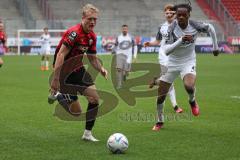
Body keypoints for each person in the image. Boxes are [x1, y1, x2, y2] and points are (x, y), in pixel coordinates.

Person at [151, 3, 219, 131]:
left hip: (188, 61)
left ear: (189, 15)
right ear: (176, 15)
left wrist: (215, 47)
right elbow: (166, 51)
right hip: (172, 62)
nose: (181, 17)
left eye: (184, 15)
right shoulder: (171, 29)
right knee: (161, 95)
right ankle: (159, 121)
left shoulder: (195, 25)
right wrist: (180, 40)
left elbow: (210, 28)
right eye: (179, 15)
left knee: (189, 86)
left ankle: (192, 100)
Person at [50, 4, 108, 142]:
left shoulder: (92, 37)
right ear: (83, 18)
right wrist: (56, 79)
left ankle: (87, 134)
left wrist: (101, 69)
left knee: (94, 99)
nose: (93, 22)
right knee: (76, 112)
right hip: (64, 72)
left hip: (78, 69)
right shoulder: (74, 33)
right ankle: (59, 95)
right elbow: (60, 55)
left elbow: (92, 59)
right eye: (90, 19)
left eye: (95, 19)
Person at [144, 4, 183, 123]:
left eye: (171, 12)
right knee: (168, 83)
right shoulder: (162, 27)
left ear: (175, 14)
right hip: (164, 55)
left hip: (175, 56)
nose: (169, 14)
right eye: (167, 12)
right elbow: (158, 40)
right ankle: (175, 106)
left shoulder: (180, 26)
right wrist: (150, 44)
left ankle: (155, 81)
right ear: (164, 14)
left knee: (168, 83)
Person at [114, 24, 135, 89]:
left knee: (126, 71)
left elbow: (135, 46)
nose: (124, 30)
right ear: (122, 29)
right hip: (119, 54)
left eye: (125, 29)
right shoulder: (118, 37)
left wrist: (134, 55)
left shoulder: (131, 37)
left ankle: (125, 75)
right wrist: (114, 51)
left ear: (127, 30)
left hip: (128, 56)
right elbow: (115, 45)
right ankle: (119, 84)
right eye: (123, 29)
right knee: (119, 69)